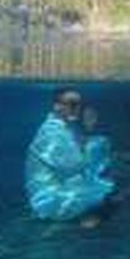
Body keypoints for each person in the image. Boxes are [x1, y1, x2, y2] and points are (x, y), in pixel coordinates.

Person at [24, 88, 116, 227]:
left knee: (109, 187)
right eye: (72, 104)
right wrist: (93, 137)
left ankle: (80, 222)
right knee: (113, 194)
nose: (77, 109)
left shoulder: (63, 128)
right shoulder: (53, 133)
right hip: (51, 199)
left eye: (79, 105)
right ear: (57, 106)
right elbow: (74, 166)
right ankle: (79, 228)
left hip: (57, 191)